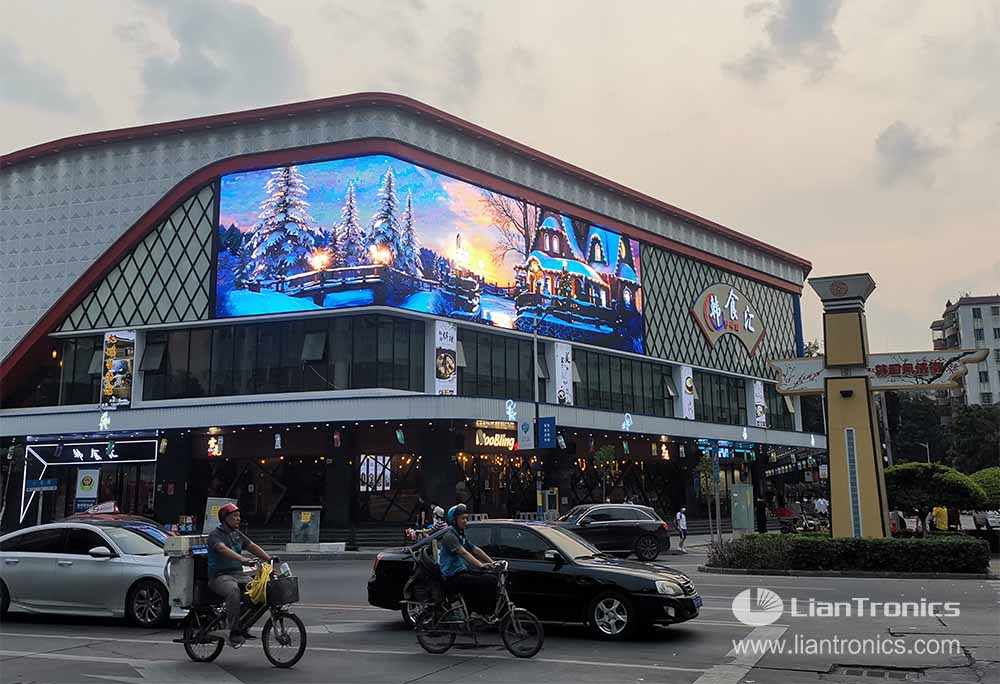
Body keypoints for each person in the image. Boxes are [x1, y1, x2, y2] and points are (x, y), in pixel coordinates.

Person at [207, 503, 271, 647]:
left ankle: (243, 625)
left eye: (239, 516)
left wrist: (269, 558)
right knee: (233, 591)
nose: (238, 519)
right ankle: (233, 629)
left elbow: (252, 546)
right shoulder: (215, 535)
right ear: (225, 519)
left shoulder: (237, 534)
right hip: (219, 576)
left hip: (237, 574)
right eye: (234, 516)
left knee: (258, 590)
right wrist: (242, 559)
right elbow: (222, 549)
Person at [439, 504, 497, 618]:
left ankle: (474, 611)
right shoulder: (449, 536)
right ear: (454, 520)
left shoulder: (461, 534)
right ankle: (479, 612)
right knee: (486, 581)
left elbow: (475, 549)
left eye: (466, 518)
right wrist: (481, 565)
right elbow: (464, 553)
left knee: (492, 579)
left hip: (461, 572)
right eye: (462, 518)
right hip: (452, 577)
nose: (466, 521)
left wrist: (493, 562)